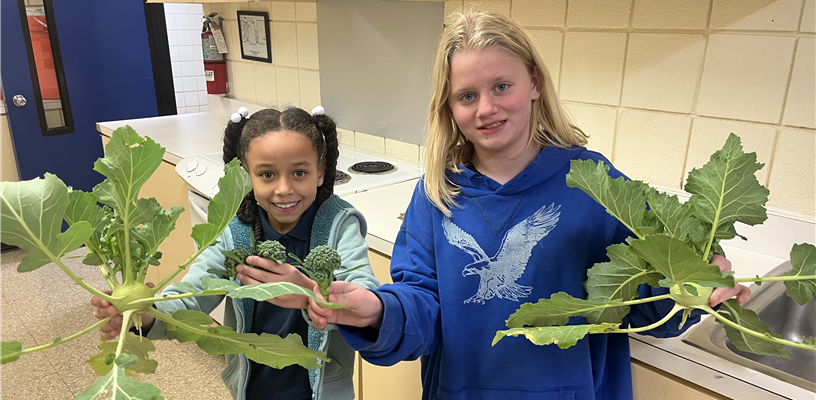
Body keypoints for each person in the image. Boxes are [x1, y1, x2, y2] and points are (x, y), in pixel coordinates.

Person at [306, 11, 752, 400]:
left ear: (534, 82)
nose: (486, 108)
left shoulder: (594, 184)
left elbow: (641, 301)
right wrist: (379, 312)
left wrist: (692, 288)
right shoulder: (437, 192)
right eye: (467, 95)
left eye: (502, 86)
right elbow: (422, 303)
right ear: (449, 106)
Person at [91, 106, 380, 400]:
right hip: (251, 390)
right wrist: (148, 314)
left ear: (320, 171)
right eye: (267, 174)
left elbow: (365, 295)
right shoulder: (235, 234)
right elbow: (193, 295)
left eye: (299, 172)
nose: (284, 188)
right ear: (244, 174)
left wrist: (310, 295)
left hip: (324, 392)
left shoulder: (339, 227)